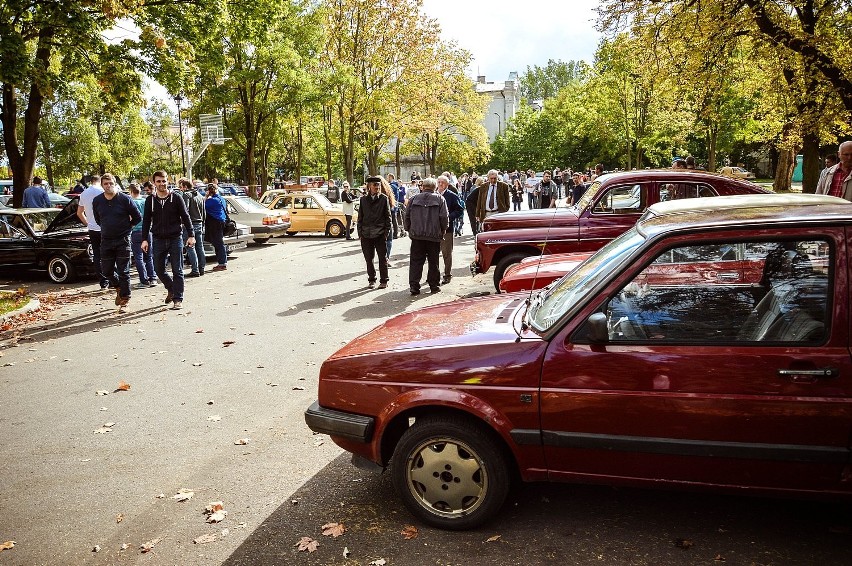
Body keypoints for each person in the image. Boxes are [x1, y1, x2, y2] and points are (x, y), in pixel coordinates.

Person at [141, 171, 196, 310]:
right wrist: (144, 239)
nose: (162, 184)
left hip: (175, 238)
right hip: (158, 239)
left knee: (177, 269)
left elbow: (185, 216)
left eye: (164, 181)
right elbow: (146, 221)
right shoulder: (150, 201)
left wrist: (191, 235)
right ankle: (171, 288)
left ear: (168, 181)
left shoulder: (176, 198)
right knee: (158, 270)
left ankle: (178, 299)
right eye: (158, 181)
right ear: (154, 183)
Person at [91, 173, 141, 309]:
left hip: (123, 239)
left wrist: (128, 228)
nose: (108, 186)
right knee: (106, 271)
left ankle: (125, 297)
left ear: (115, 184)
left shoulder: (124, 199)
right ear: (102, 186)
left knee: (123, 271)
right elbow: (98, 219)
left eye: (111, 183)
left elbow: (137, 217)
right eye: (105, 184)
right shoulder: (97, 201)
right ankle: (119, 287)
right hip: (106, 240)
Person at [405, 177, 448, 295]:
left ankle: (414, 286)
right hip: (433, 236)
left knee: (416, 261)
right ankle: (434, 286)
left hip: (417, 235)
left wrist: (409, 229)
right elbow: (444, 217)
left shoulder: (414, 199)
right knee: (433, 261)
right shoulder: (440, 199)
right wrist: (443, 230)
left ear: (422, 187)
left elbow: (407, 215)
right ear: (434, 187)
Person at [77, 175, 111, 288]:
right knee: (110, 254)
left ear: (91, 181)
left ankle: (103, 281)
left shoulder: (84, 193)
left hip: (92, 228)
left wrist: (88, 223)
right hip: (105, 228)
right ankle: (112, 278)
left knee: (97, 255)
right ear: (100, 181)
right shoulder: (103, 191)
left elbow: (79, 213)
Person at [358, 176, 392, 289]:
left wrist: (385, 233)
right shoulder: (363, 200)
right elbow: (360, 218)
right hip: (366, 234)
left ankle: (384, 280)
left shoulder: (383, 199)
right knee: (369, 259)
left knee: (382, 259)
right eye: (375, 185)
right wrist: (360, 233)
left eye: (378, 185)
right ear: (369, 186)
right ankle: (371, 279)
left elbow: (388, 217)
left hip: (380, 234)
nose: (377, 187)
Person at [128, 184, 156, 289]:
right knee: (149, 256)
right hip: (147, 231)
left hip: (135, 231)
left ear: (131, 191)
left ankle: (144, 280)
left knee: (138, 257)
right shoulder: (145, 201)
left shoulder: (131, 203)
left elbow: (130, 218)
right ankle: (152, 278)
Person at [437, 175, 462, 285]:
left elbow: (459, 210)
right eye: (439, 182)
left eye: (443, 182)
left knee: (446, 253)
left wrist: (448, 217)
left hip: (447, 229)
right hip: (433, 229)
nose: (440, 184)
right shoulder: (433, 195)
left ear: (447, 184)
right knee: (433, 253)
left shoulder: (452, 196)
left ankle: (447, 274)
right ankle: (434, 275)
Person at [179, 179, 206, 277]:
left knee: (190, 247)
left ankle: (195, 270)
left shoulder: (186, 195)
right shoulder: (199, 195)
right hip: (199, 223)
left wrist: (182, 222)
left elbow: (184, 211)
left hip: (190, 225)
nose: (180, 189)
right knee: (199, 246)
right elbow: (204, 212)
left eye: (180, 187)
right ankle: (201, 268)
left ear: (185, 186)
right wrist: (203, 223)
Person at [204, 183, 229, 272]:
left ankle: (222, 263)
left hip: (215, 223)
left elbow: (202, 206)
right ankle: (222, 262)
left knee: (218, 244)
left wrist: (206, 197)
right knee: (219, 243)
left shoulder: (211, 201)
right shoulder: (221, 199)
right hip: (221, 222)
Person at [378, 177, 398, 264]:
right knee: (389, 240)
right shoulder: (388, 191)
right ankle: (386, 258)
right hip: (388, 218)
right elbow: (392, 205)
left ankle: (382, 258)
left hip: (378, 220)